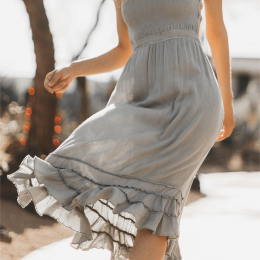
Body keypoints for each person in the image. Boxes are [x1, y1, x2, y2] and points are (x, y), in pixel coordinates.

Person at [7, 0, 235, 259]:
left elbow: (216, 31)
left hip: (194, 103)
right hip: (141, 103)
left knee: (157, 211)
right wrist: (74, 69)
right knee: (144, 206)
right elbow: (123, 49)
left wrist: (227, 105)